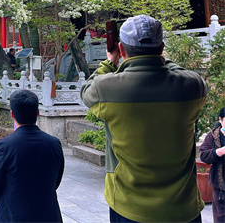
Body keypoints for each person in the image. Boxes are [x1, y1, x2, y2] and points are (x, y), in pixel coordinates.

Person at [81, 14, 207, 223]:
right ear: (162, 48)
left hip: (130, 207)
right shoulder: (192, 87)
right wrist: (160, 60)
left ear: (121, 50)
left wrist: (109, 62)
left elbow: (86, 90)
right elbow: (182, 72)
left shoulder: (107, 88)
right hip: (183, 209)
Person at [0, 89, 64, 222]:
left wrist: (7, 204)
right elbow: (56, 178)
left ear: (12, 114)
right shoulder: (54, 143)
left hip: (14, 213)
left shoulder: (3, 146)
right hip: (47, 212)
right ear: (38, 113)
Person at [200, 106, 225, 222]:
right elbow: (204, 155)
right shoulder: (213, 136)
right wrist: (221, 151)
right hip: (221, 189)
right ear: (220, 119)